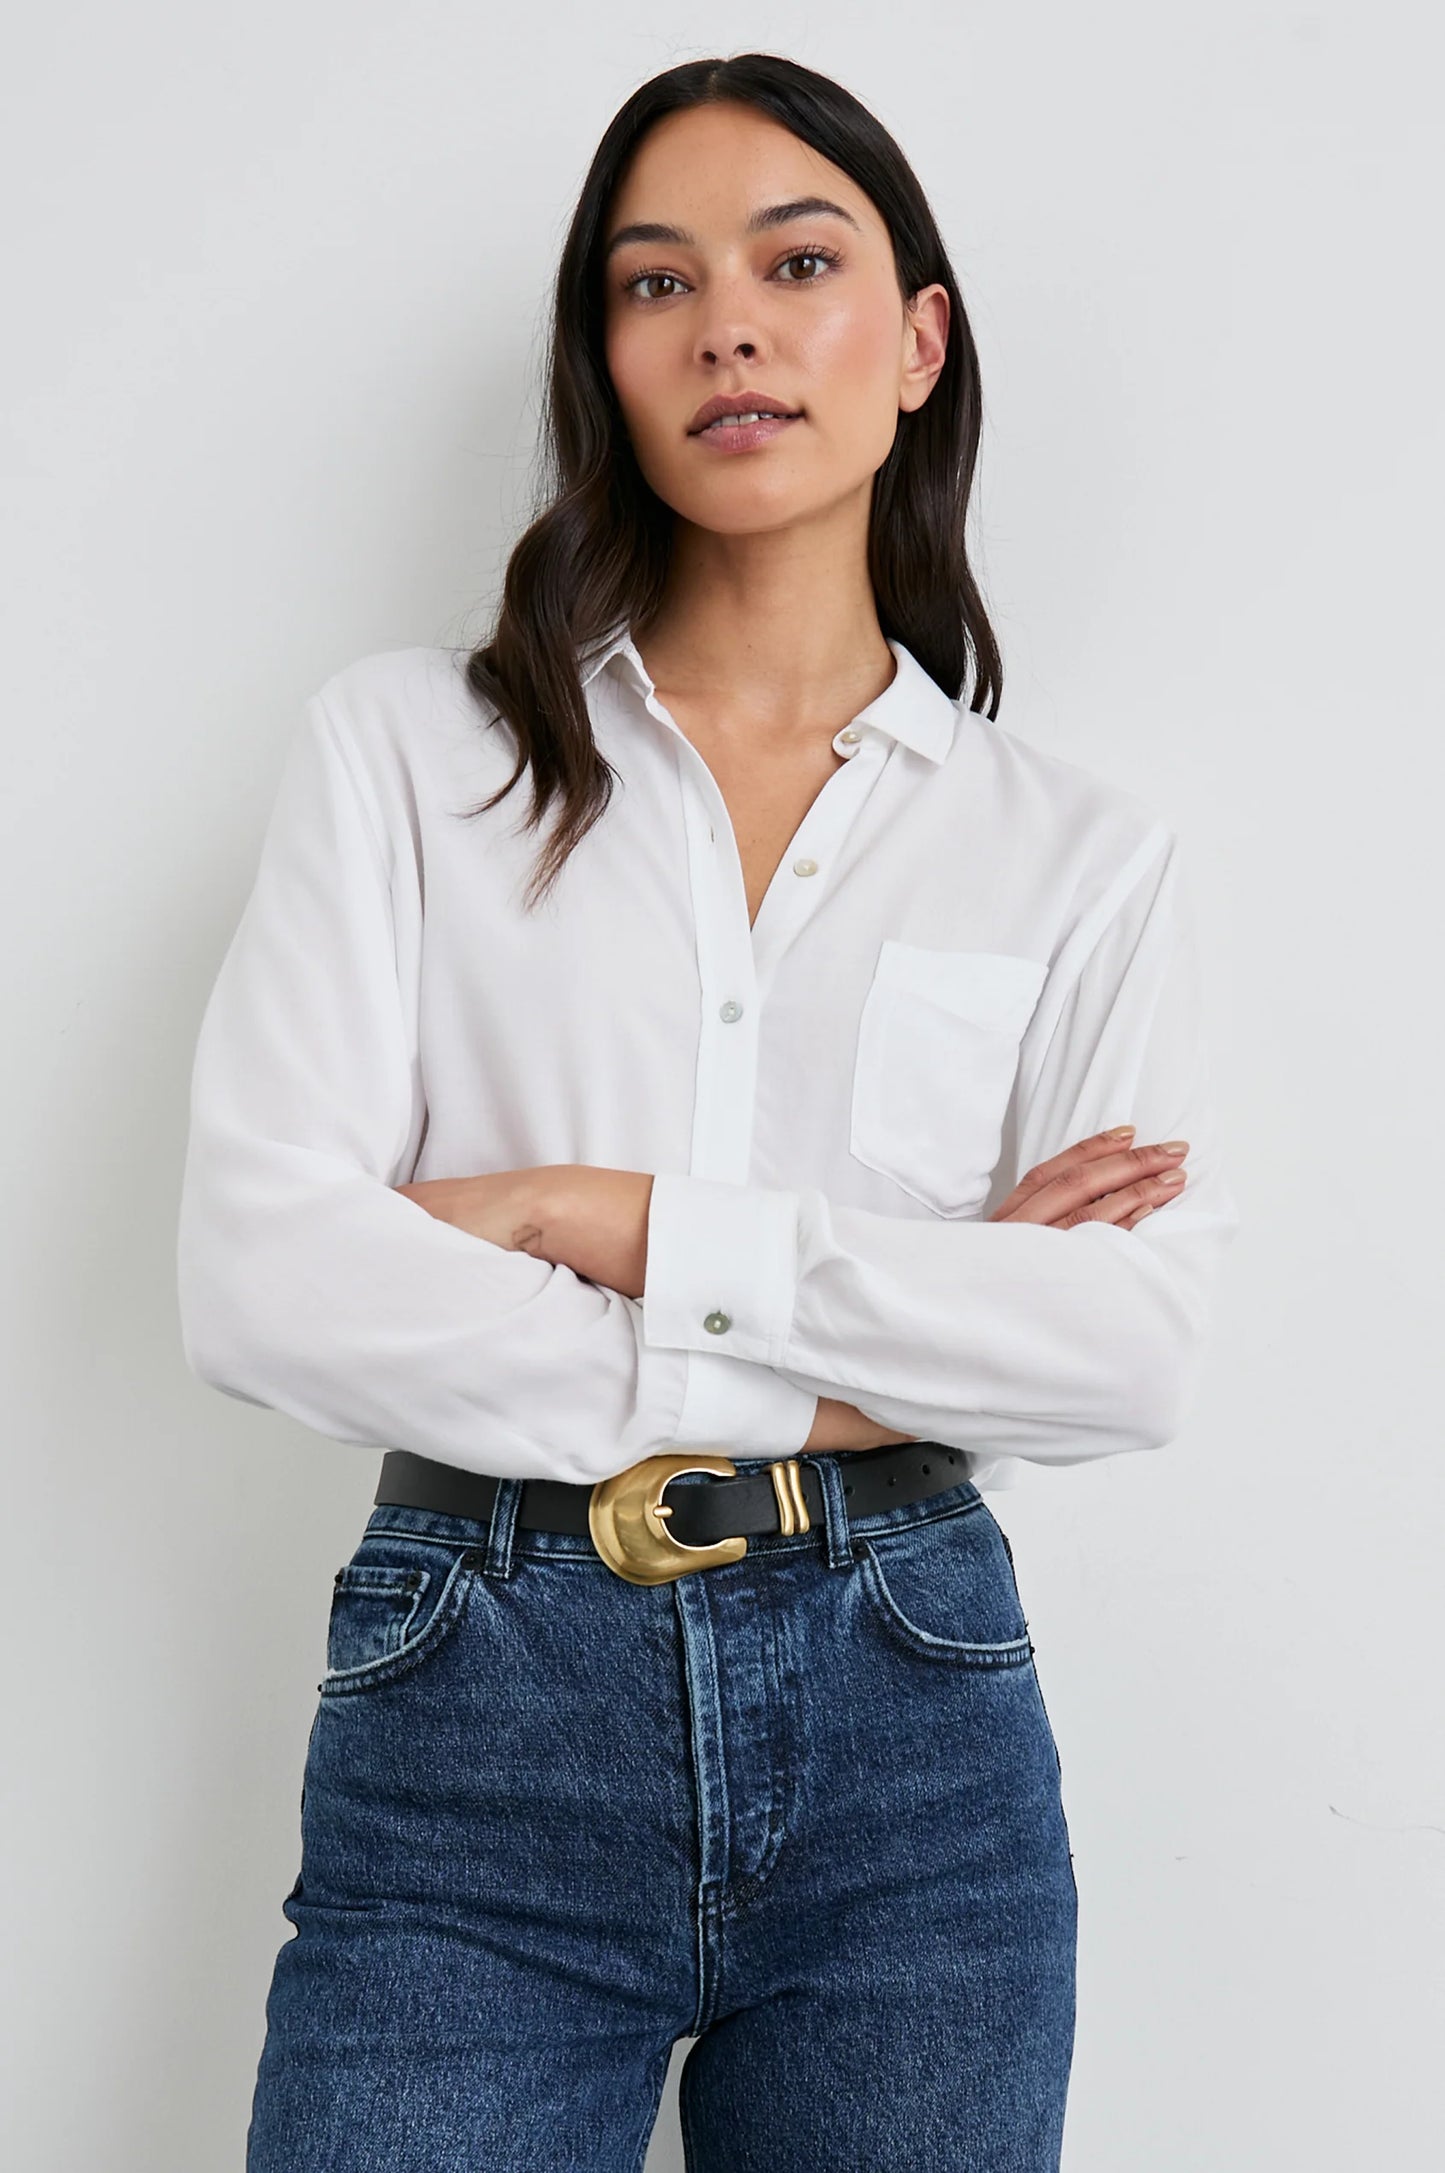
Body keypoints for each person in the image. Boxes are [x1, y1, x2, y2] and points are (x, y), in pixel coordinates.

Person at [177, 51, 1240, 2173]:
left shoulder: (1070, 852)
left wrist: (598, 1211)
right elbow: (263, 1277)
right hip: (473, 1698)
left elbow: (1128, 1350)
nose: (729, 325)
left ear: (920, 343)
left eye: (798, 261)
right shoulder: (411, 759)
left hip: (914, 1734)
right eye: (655, 284)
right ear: (607, 364)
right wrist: (892, 1338)